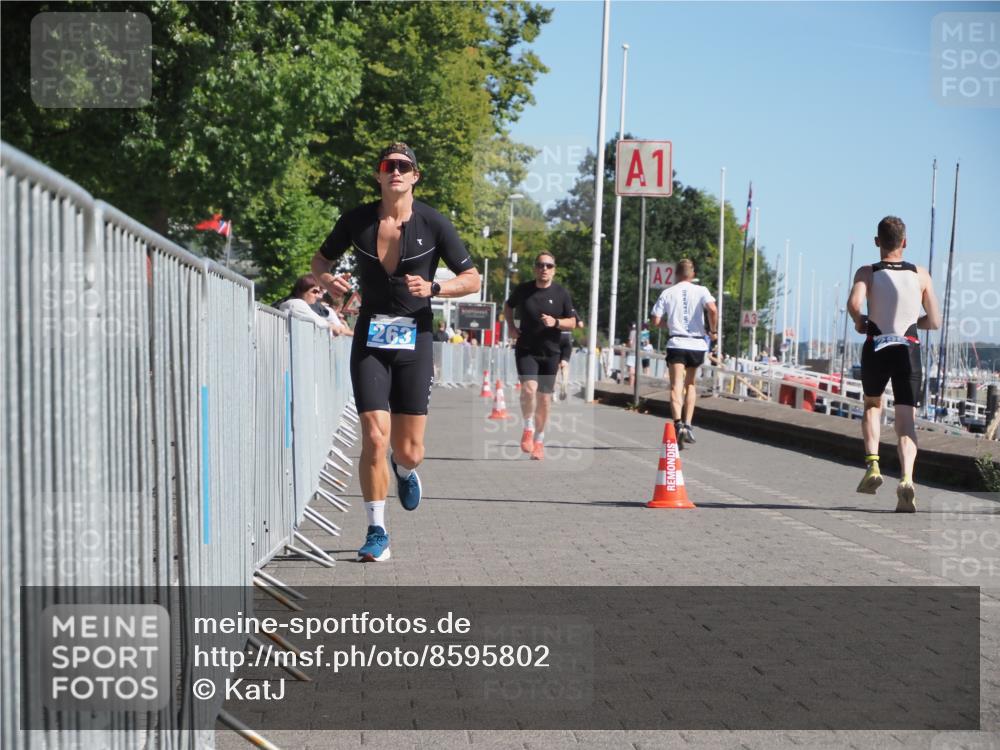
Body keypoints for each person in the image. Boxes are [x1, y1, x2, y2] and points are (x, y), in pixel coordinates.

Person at [311, 142, 480, 561]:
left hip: (415, 339)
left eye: (404, 166)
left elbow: (472, 278)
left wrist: (436, 288)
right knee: (371, 435)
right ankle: (376, 531)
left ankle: (404, 470)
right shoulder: (356, 220)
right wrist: (328, 280)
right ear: (379, 175)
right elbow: (318, 261)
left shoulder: (434, 224)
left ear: (415, 176)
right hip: (370, 336)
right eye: (389, 166)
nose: (396, 172)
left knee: (408, 449)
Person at [847, 216, 940, 512]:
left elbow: (854, 304)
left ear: (877, 242)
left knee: (873, 405)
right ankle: (907, 478)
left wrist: (860, 321)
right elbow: (935, 321)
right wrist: (913, 323)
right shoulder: (920, 275)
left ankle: (873, 466)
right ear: (905, 242)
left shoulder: (867, 272)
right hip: (908, 348)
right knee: (906, 421)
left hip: (877, 345)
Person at [504, 251, 577, 460]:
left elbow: (572, 321)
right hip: (526, 349)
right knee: (529, 390)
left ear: (554, 269)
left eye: (548, 266)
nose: (544, 269)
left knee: (544, 400)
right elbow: (508, 306)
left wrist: (556, 322)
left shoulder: (561, 293)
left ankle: (539, 440)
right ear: (535, 268)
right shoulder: (524, 290)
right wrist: (510, 326)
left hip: (551, 352)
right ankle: (528, 428)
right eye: (540, 265)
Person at [649, 259, 718, 449]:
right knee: (691, 384)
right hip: (696, 344)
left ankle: (677, 424)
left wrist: (669, 324)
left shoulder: (668, 292)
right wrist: (713, 331)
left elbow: (655, 320)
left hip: (677, 342)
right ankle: (688, 425)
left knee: (676, 386)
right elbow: (712, 309)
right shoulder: (702, 290)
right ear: (693, 274)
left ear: (675, 274)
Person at [279, 275, 346, 336]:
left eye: (319, 292)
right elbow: (322, 324)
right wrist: (333, 326)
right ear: (301, 291)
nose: (318, 296)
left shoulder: (295, 303)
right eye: (314, 292)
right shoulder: (296, 303)